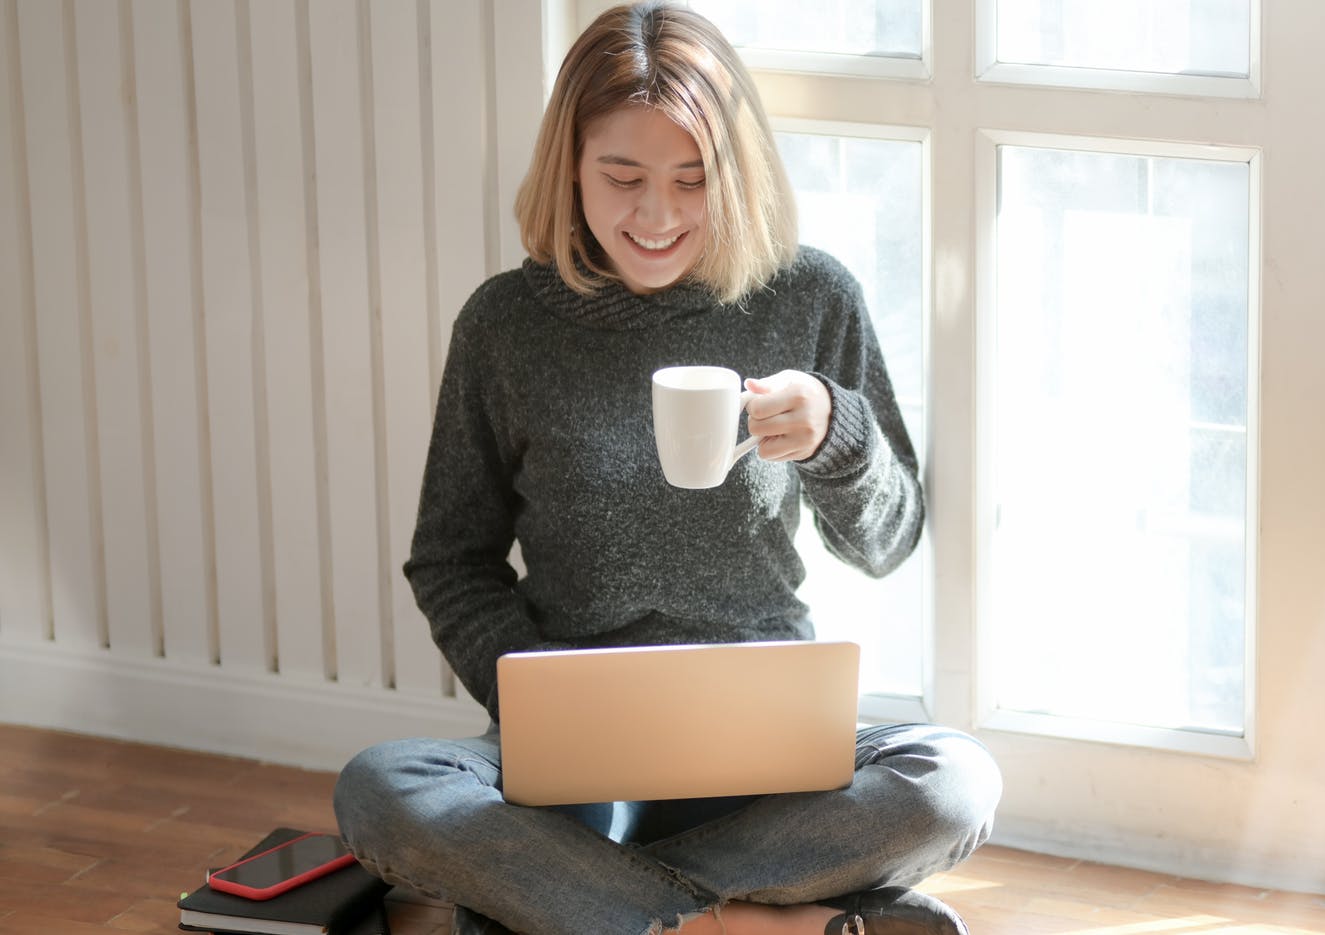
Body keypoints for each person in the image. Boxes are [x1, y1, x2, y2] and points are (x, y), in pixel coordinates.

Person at [330, 4, 1001, 934]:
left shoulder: (810, 297)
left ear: (737, 172)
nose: (658, 214)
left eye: (693, 179)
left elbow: (889, 541)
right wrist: (540, 698)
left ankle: (584, 904)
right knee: (382, 788)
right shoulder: (506, 326)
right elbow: (450, 560)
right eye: (624, 175)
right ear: (571, 165)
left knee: (954, 779)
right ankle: (765, 921)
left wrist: (837, 436)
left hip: (770, 745)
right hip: (577, 759)